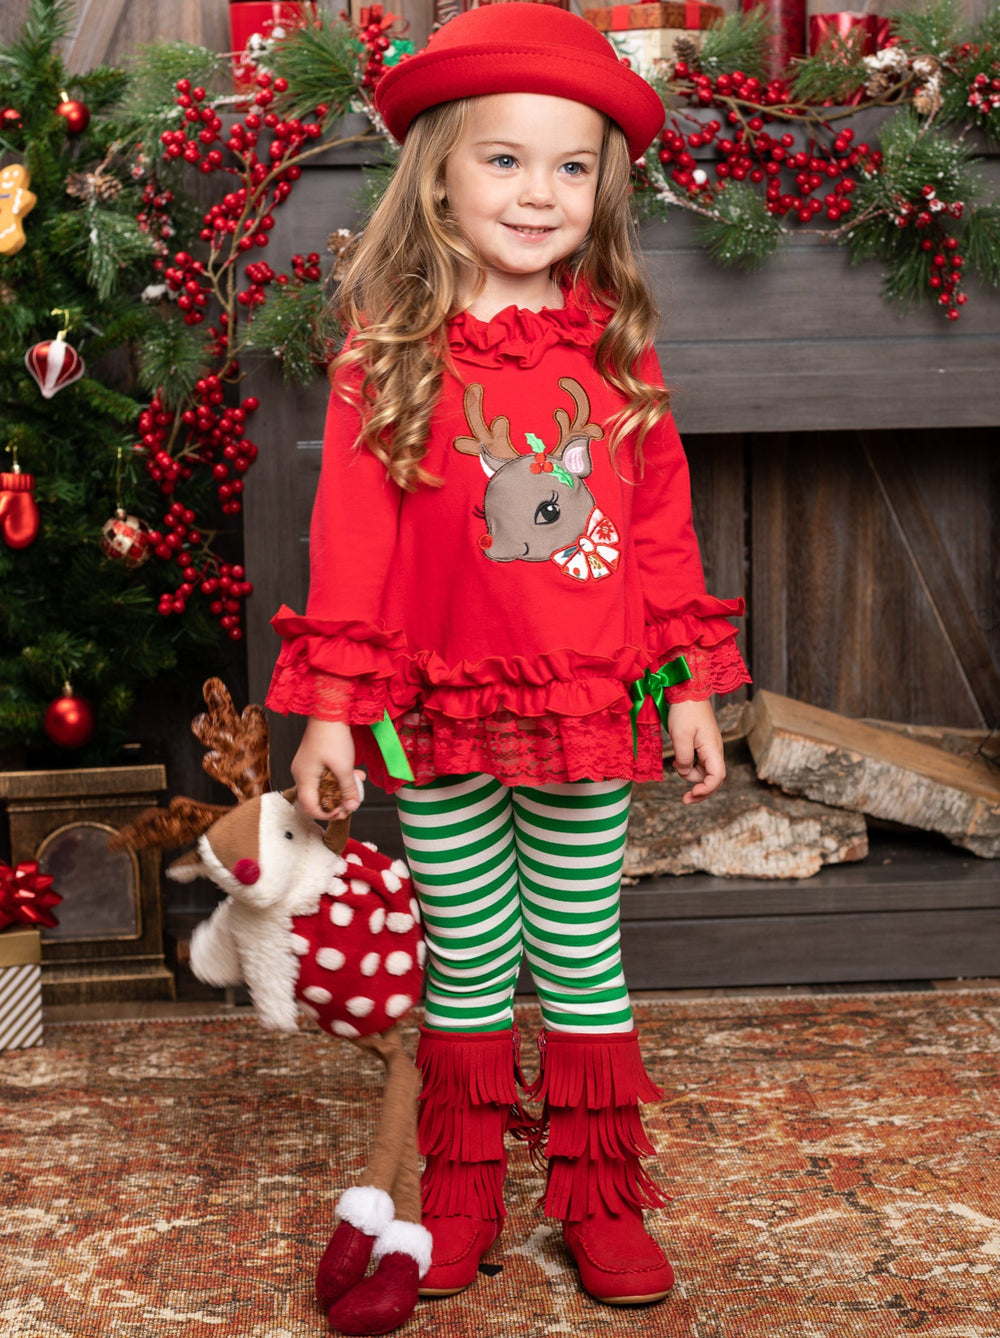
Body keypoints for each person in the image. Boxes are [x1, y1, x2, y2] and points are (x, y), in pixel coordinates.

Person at [266, 2, 750, 1311]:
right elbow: (351, 540)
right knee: (472, 958)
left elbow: (661, 530)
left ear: (603, 188)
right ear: (439, 174)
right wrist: (329, 711)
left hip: (588, 699)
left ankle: (596, 1197)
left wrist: (688, 684)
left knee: (580, 948)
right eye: (505, 159)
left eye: (570, 166)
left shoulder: (614, 344)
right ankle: (463, 1188)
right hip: (429, 709)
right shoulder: (391, 350)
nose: (539, 193)